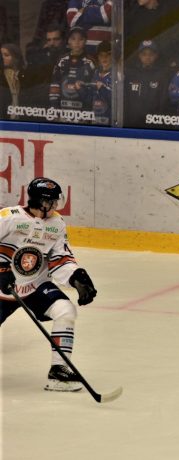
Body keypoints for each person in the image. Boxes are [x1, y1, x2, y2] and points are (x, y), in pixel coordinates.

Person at [0, 177, 98, 392]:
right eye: (51, 202)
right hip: (2, 292)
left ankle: (59, 371)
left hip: (34, 286)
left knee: (65, 311)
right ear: (39, 202)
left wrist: (76, 277)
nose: (55, 206)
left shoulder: (56, 223)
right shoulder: (9, 218)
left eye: (56, 202)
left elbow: (60, 257)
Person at [49, 27, 96, 116]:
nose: (77, 42)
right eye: (73, 39)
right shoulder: (62, 60)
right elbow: (55, 84)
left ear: (85, 41)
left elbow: (93, 89)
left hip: (83, 112)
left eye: (80, 39)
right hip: (63, 110)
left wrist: (88, 111)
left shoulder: (90, 62)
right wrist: (55, 109)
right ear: (68, 41)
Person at [124, 39, 170, 127]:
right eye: (144, 54)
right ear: (139, 55)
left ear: (156, 56)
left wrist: (158, 120)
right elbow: (125, 99)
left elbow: (163, 101)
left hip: (153, 123)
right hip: (132, 123)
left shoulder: (162, 75)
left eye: (151, 54)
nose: (147, 57)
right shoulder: (130, 74)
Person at [0, 44, 26, 120]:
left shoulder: (26, 75)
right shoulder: (2, 76)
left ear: (16, 58)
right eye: (1, 55)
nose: (2, 58)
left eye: (6, 55)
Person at [91, 40, 112, 125]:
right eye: (101, 55)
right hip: (94, 119)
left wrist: (103, 89)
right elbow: (89, 97)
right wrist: (80, 89)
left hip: (110, 121)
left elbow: (117, 101)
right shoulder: (95, 73)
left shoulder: (117, 74)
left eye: (108, 54)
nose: (104, 58)